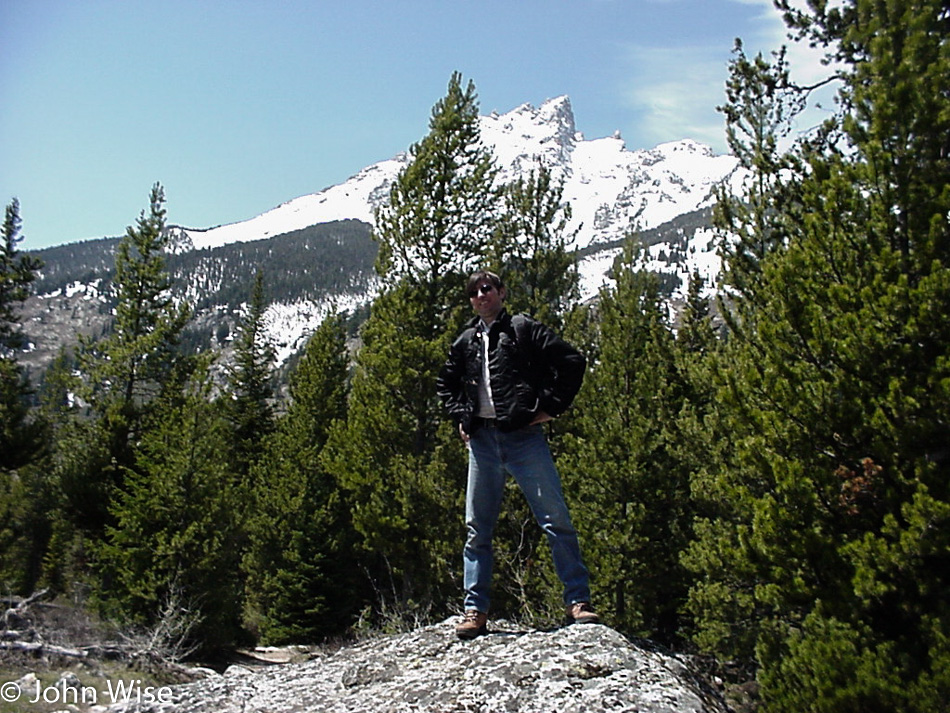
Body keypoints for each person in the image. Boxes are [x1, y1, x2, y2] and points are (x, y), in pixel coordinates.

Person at [436, 270, 598, 639]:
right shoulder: (466, 341)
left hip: (525, 438)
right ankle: (474, 610)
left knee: (555, 521)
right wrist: (462, 415)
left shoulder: (524, 329)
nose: (481, 295)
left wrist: (552, 407)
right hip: (483, 444)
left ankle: (579, 602)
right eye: (475, 292)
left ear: (501, 293)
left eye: (487, 288)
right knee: (477, 528)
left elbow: (572, 361)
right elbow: (445, 384)